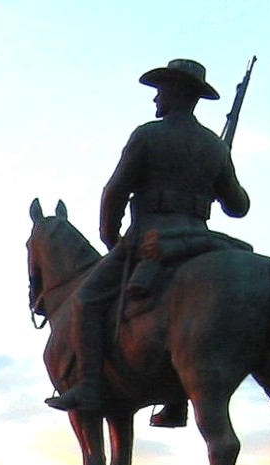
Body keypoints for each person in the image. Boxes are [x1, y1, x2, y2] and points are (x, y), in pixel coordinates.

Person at [47, 59, 249, 427]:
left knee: (86, 302)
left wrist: (112, 237)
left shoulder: (148, 135)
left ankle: (90, 386)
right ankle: (178, 399)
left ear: (176, 93)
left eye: (161, 90)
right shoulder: (212, 147)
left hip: (150, 237)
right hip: (201, 241)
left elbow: (115, 192)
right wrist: (218, 162)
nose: (155, 98)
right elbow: (239, 207)